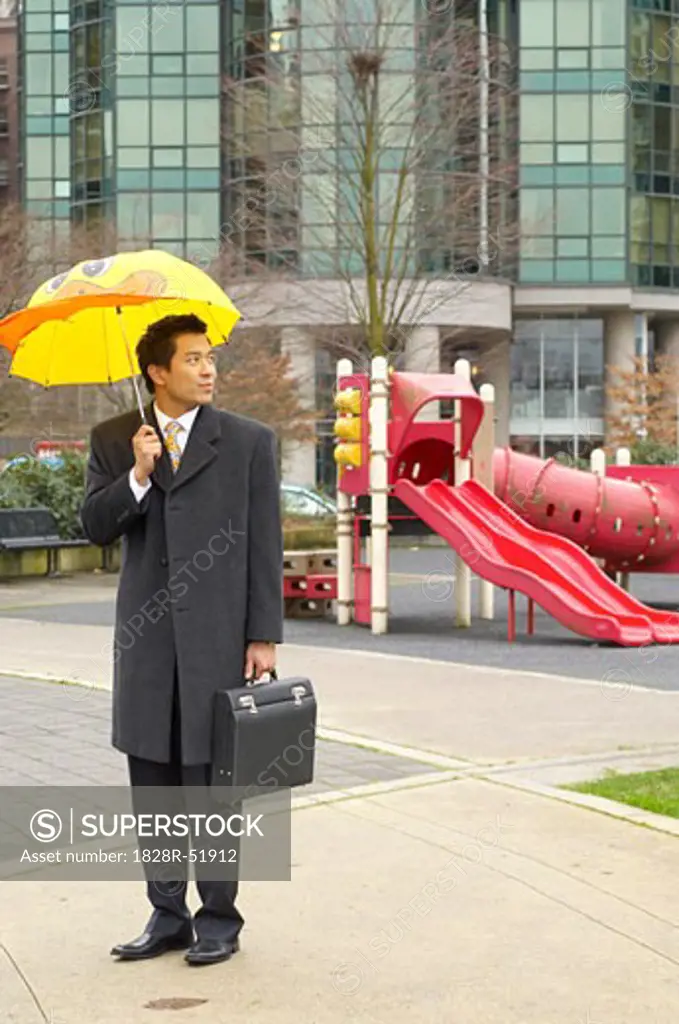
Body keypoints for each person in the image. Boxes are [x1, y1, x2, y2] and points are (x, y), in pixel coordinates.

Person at [80, 313, 283, 966]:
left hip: (220, 639)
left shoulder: (248, 442)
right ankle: (166, 915)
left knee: (213, 783)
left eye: (209, 358)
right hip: (145, 643)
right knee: (155, 782)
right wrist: (136, 476)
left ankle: (218, 917)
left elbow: (263, 544)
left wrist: (263, 635)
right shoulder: (116, 439)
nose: (207, 369)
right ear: (156, 372)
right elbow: (93, 527)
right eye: (191, 359)